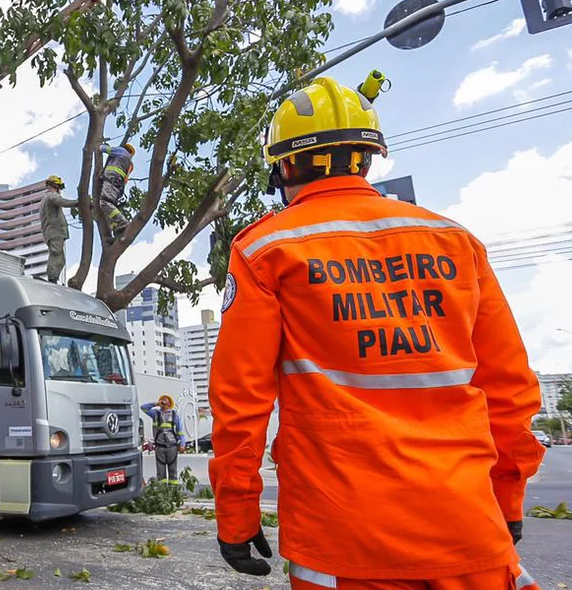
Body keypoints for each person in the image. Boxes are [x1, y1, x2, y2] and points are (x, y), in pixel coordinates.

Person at [208, 77, 543, 590]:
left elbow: (241, 398)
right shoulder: (456, 241)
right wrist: (507, 497)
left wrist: (236, 512)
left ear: (283, 166)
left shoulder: (266, 249)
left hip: (341, 537)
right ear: (367, 158)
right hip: (468, 525)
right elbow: (510, 389)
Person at [39, 174, 78, 283]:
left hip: (53, 232)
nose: (60, 190)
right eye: (59, 187)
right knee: (56, 255)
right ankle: (52, 279)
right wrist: (78, 203)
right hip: (55, 232)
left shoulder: (46, 199)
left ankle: (53, 278)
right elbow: (63, 202)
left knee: (60, 259)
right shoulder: (51, 196)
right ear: (55, 186)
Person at [141, 394, 186, 484]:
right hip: (159, 446)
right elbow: (143, 408)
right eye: (162, 400)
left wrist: (182, 444)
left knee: (173, 469)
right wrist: (155, 404)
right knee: (160, 470)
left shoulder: (174, 415)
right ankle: (163, 490)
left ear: (170, 403)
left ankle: (173, 491)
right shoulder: (155, 413)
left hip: (172, 446)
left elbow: (180, 431)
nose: (163, 401)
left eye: (166, 400)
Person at [98, 143, 134, 238]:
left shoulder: (122, 151)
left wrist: (100, 146)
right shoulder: (128, 163)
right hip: (117, 185)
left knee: (105, 202)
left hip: (111, 179)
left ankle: (122, 221)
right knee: (111, 207)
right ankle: (117, 231)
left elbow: (104, 149)